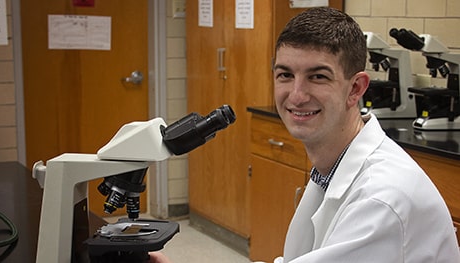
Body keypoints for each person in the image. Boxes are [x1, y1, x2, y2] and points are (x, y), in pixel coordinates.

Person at [148, 6, 460, 263]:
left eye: (318, 76)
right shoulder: (332, 168)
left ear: (356, 88)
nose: (296, 96)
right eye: (285, 74)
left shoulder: (382, 200)